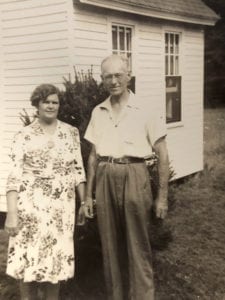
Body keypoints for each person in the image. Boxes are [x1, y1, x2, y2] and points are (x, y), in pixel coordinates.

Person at [83, 55, 169, 300]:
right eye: (107, 76)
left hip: (135, 174)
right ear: (102, 80)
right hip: (105, 176)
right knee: (110, 247)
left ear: (128, 76)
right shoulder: (98, 111)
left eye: (118, 75)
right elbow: (92, 157)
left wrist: (162, 197)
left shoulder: (146, 109)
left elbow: (162, 154)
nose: (113, 81)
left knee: (137, 245)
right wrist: (88, 196)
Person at [4, 84, 86, 300]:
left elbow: (78, 170)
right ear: (36, 105)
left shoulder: (71, 133)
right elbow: (13, 177)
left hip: (61, 210)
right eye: (46, 102)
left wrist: (84, 202)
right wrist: (12, 214)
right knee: (27, 259)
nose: (50, 106)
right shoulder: (24, 135)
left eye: (54, 102)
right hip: (31, 208)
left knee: (55, 261)